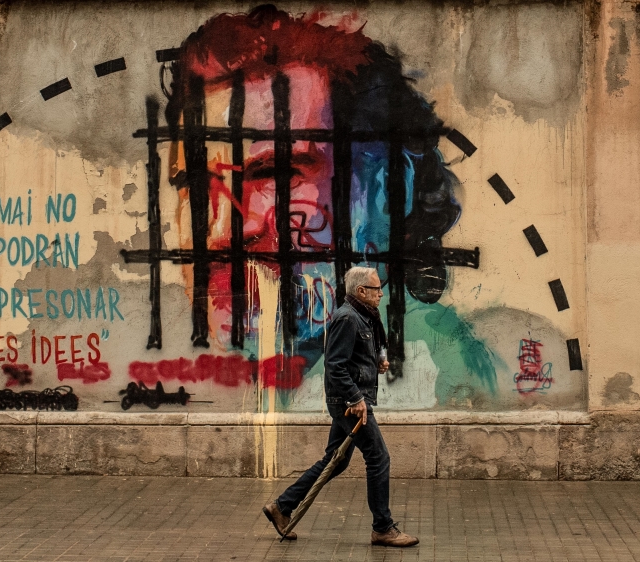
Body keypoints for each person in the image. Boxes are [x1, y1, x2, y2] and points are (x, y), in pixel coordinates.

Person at [165, 5, 462, 392]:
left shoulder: (452, 373)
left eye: (274, 173)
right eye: (196, 183)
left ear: (389, 190)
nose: (223, 231)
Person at [261, 266, 418, 546]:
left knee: (335, 461)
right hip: (347, 403)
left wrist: (380, 360)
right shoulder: (347, 318)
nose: (381, 293)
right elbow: (335, 365)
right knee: (378, 458)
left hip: (354, 399)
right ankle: (382, 527)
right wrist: (355, 399)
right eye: (376, 289)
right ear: (361, 291)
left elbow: (380, 342)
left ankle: (281, 507)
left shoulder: (367, 315)